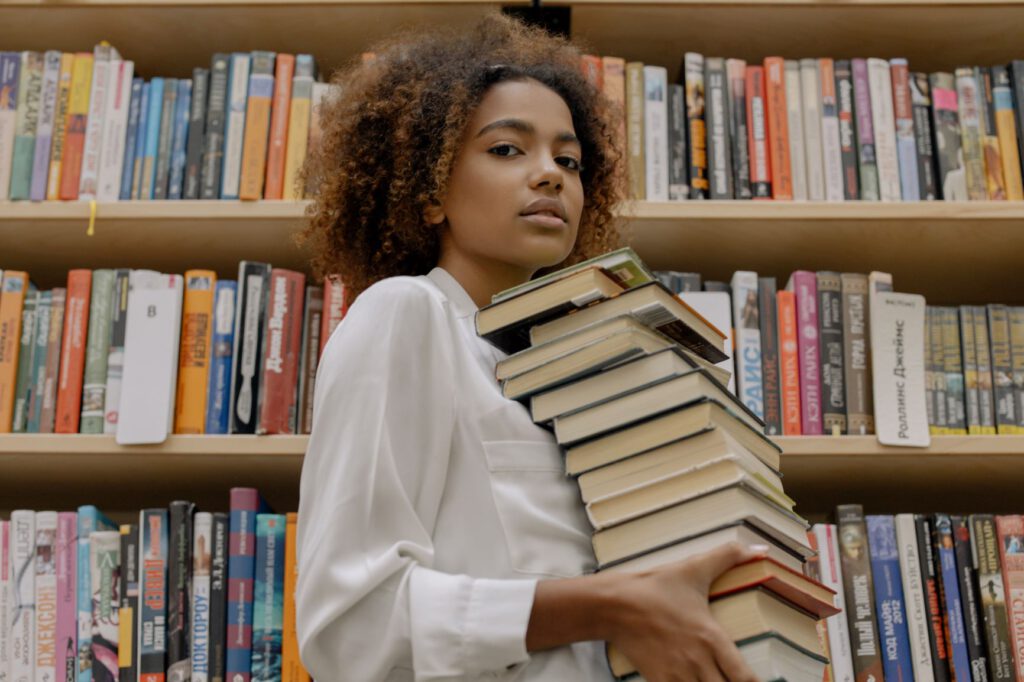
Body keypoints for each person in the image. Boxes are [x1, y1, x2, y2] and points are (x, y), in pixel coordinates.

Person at [295, 13, 766, 682]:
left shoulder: (569, 371)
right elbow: (350, 628)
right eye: (507, 150)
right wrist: (613, 608)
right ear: (430, 194)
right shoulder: (407, 315)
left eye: (568, 160)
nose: (549, 175)